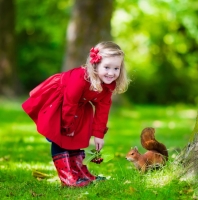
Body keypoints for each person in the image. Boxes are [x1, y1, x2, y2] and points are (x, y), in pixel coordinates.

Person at [22, 41, 130, 187]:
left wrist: (98, 135)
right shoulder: (80, 78)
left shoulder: (107, 86)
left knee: (78, 137)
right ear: (95, 64)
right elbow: (69, 104)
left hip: (79, 106)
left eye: (116, 68)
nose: (111, 73)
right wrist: (68, 126)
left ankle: (79, 173)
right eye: (107, 67)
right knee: (60, 138)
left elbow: (103, 110)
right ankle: (67, 176)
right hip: (60, 101)